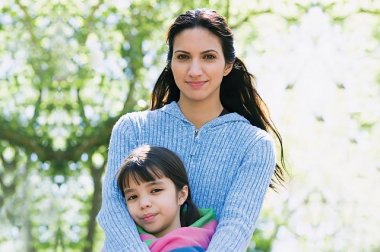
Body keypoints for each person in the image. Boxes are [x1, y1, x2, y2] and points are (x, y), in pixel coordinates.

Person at [97, 8, 286, 251]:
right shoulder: (132, 129)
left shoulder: (254, 144)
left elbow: (236, 225)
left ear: (227, 65)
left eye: (208, 57)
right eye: (183, 57)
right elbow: (113, 209)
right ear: (171, 63)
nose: (194, 70)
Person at [116, 145, 217, 251]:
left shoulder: (214, 240)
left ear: (181, 195)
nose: (143, 203)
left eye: (155, 190)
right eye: (133, 197)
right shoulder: (121, 244)